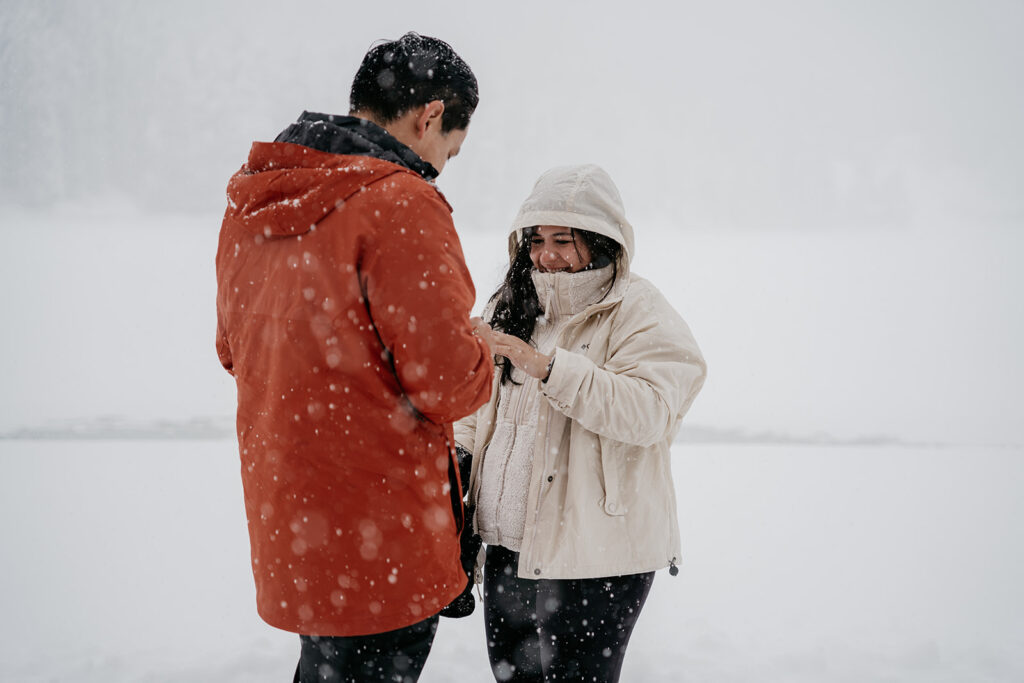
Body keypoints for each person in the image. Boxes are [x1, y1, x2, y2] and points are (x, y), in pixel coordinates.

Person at [215, 33, 493, 683]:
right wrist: (482, 345)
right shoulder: (401, 202)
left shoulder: (257, 197)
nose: (442, 165)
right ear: (430, 116)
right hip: (383, 535)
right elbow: (448, 385)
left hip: (293, 521)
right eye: (449, 150)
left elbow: (236, 349)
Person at [457, 164, 707, 682]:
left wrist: (546, 367)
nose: (545, 255)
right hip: (508, 550)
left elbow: (651, 413)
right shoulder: (513, 304)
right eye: (536, 240)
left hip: (596, 558)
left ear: (601, 240)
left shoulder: (640, 311)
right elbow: (480, 412)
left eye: (563, 241)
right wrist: (454, 455)